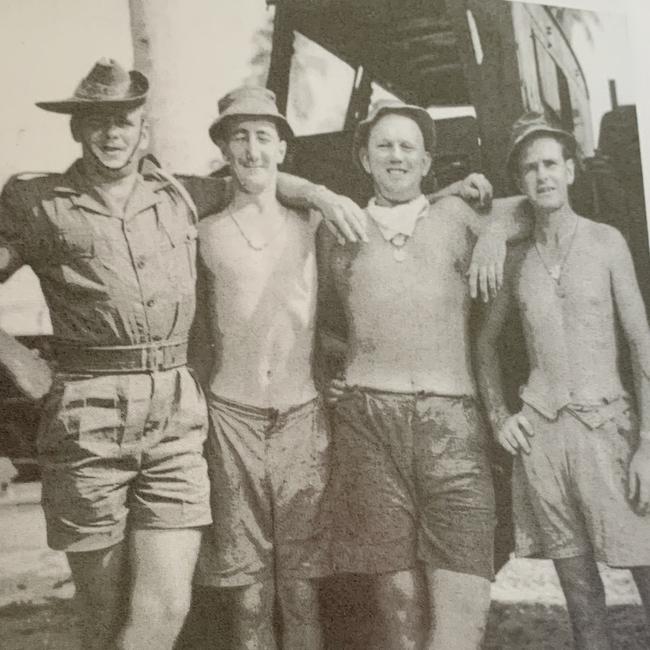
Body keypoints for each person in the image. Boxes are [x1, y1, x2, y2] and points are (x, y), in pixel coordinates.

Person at [0, 60, 369, 650]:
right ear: (77, 129)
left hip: (174, 414)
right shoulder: (39, 201)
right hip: (88, 415)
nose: (112, 133)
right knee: (104, 611)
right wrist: (16, 358)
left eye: (124, 120)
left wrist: (322, 192)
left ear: (143, 127)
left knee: (166, 607)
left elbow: (261, 180)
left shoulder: (180, 195)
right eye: (97, 120)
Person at [319, 100, 512, 650]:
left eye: (408, 146)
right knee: (397, 611)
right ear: (364, 159)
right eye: (384, 145)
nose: (396, 156)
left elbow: (531, 209)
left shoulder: (462, 217)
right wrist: (332, 372)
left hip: (452, 423)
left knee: (463, 614)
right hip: (367, 424)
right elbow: (319, 325)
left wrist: (495, 230)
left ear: (428, 162)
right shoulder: (339, 228)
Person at [476, 112, 650, 650]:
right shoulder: (515, 256)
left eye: (551, 164)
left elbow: (642, 346)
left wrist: (647, 443)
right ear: (520, 180)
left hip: (609, 430)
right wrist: (500, 417)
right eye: (530, 168)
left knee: (644, 568)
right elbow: (484, 345)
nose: (542, 175)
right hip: (544, 439)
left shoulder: (606, 243)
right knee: (579, 593)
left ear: (571, 170)